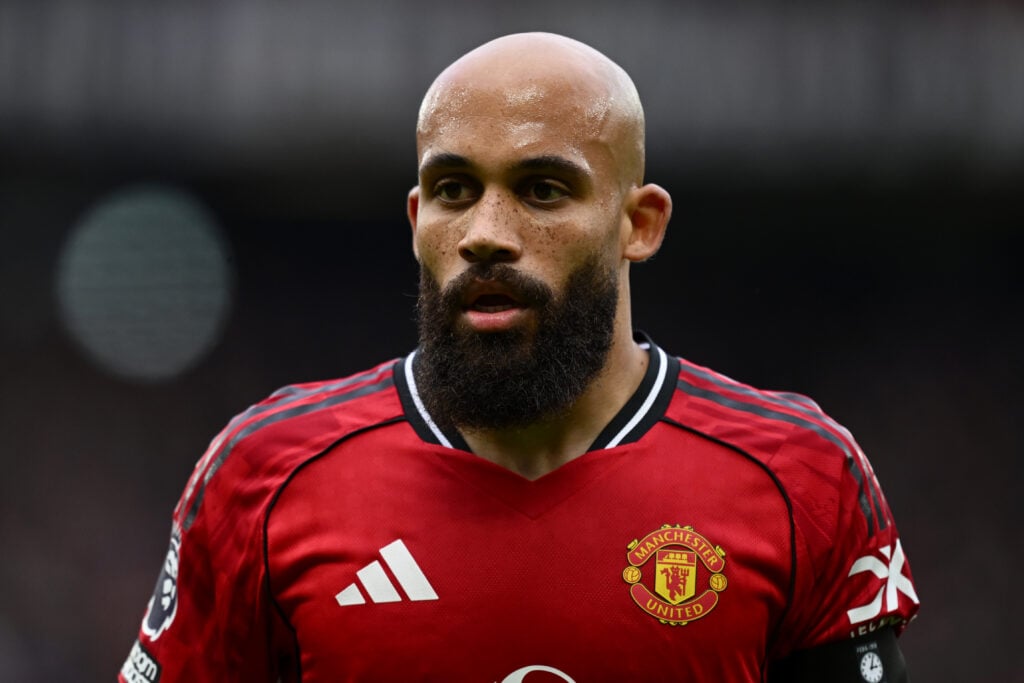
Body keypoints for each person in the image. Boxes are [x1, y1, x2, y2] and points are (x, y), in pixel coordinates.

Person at [119, 32, 919, 682]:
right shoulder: (261, 476)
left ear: (639, 222)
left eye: (541, 190)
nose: (485, 232)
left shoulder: (803, 477)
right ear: (416, 217)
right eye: (455, 190)